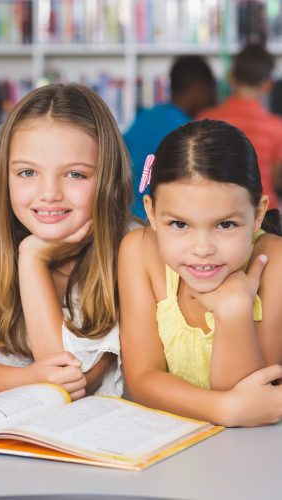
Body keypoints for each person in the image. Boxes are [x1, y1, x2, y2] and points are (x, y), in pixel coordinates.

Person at [0, 83, 133, 400]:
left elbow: (72, 380)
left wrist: (32, 260)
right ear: (5, 176)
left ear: (108, 177)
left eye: (75, 175)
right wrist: (26, 379)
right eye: (28, 173)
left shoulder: (127, 253)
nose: (49, 193)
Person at [118, 119, 282, 427]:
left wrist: (233, 311)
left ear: (257, 213)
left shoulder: (275, 262)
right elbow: (142, 379)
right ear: (151, 212)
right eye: (180, 225)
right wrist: (224, 409)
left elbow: (254, 400)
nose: (202, 248)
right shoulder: (137, 252)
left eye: (225, 224)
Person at [124, 55, 216, 219]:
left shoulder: (145, 116)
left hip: (127, 214)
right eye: (210, 90)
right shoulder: (189, 132)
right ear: (200, 87)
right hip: (162, 219)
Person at [197, 42, 282, 210]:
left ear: (230, 77)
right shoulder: (276, 127)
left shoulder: (205, 119)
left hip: (217, 210)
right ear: (268, 85)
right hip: (264, 213)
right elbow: (277, 179)